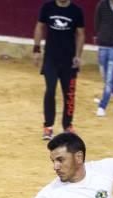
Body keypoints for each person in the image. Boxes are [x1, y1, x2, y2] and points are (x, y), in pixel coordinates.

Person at [33, 0, 85, 140]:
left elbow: (80, 34)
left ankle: (67, 126)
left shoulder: (76, 11)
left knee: (69, 93)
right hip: (51, 59)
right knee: (50, 90)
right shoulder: (47, 7)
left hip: (69, 60)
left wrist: (78, 56)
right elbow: (39, 27)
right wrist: (37, 49)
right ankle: (48, 127)